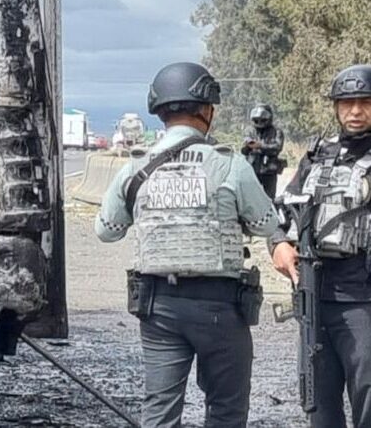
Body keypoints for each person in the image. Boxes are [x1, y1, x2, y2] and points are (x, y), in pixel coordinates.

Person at [95, 62, 279, 428]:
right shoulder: (230, 165)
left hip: (158, 306)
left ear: (160, 111)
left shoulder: (135, 167)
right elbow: (266, 224)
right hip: (220, 307)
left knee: (160, 412)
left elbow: (107, 230)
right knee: (226, 409)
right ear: (207, 110)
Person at [270, 64, 371, 428]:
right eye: (346, 103)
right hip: (315, 296)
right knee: (318, 402)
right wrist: (278, 244)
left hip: (364, 300)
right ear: (335, 107)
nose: (355, 111)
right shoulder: (317, 155)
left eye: (365, 102)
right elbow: (281, 212)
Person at [241, 104, 286, 198]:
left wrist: (261, 146)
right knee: (250, 198)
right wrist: (248, 146)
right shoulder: (250, 131)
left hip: (269, 171)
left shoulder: (276, 131)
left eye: (262, 119)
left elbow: (278, 147)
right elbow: (244, 151)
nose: (260, 122)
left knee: (269, 199)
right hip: (252, 170)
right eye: (257, 120)